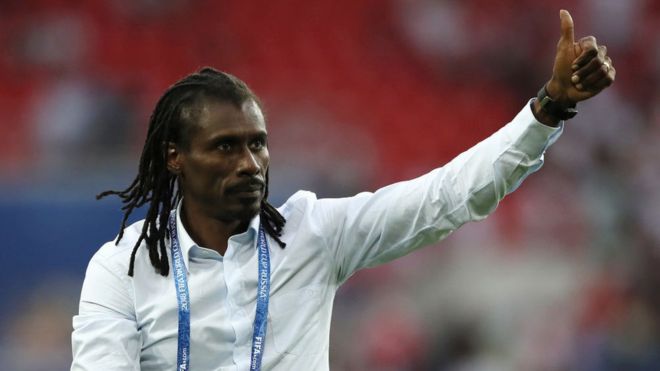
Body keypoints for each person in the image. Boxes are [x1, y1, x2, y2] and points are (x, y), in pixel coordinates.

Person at [71, 10, 615, 371]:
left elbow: (448, 196)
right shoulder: (123, 268)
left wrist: (548, 109)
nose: (250, 163)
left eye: (258, 145)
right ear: (175, 158)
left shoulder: (314, 234)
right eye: (224, 147)